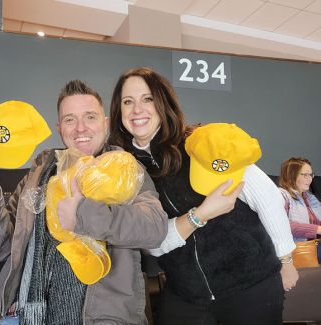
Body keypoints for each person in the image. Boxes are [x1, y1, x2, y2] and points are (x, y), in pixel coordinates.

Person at [0, 80, 170, 325]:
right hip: (26, 316)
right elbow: (1, 248)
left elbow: (154, 229)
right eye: (70, 119)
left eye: (90, 117)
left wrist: (84, 215)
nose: (80, 128)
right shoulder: (38, 174)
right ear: (60, 128)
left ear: (104, 124)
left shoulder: (126, 167)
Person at [108, 67, 299, 325]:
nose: (137, 109)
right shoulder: (124, 170)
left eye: (147, 99)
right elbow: (151, 243)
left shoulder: (203, 140)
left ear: (163, 102)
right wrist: (201, 214)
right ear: (119, 113)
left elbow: (265, 195)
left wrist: (285, 258)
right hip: (187, 294)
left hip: (251, 284)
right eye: (127, 102)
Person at [279, 157, 321, 261]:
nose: (310, 178)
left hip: (315, 246)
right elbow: (282, 226)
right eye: (305, 175)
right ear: (291, 176)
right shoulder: (281, 195)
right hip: (298, 249)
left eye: (311, 174)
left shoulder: (310, 198)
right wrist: (318, 229)